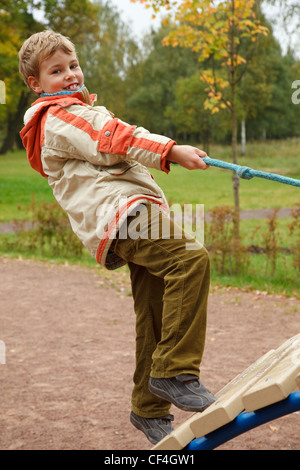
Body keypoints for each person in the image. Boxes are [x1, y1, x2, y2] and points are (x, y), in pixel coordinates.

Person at [18, 30, 216, 445]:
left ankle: (148, 408)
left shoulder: (72, 112)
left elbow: (110, 135)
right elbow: (114, 138)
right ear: (36, 84)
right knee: (190, 259)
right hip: (122, 215)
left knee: (156, 308)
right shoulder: (60, 115)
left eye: (73, 65)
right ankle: (174, 372)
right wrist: (170, 151)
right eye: (56, 71)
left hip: (122, 217)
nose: (70, 75)